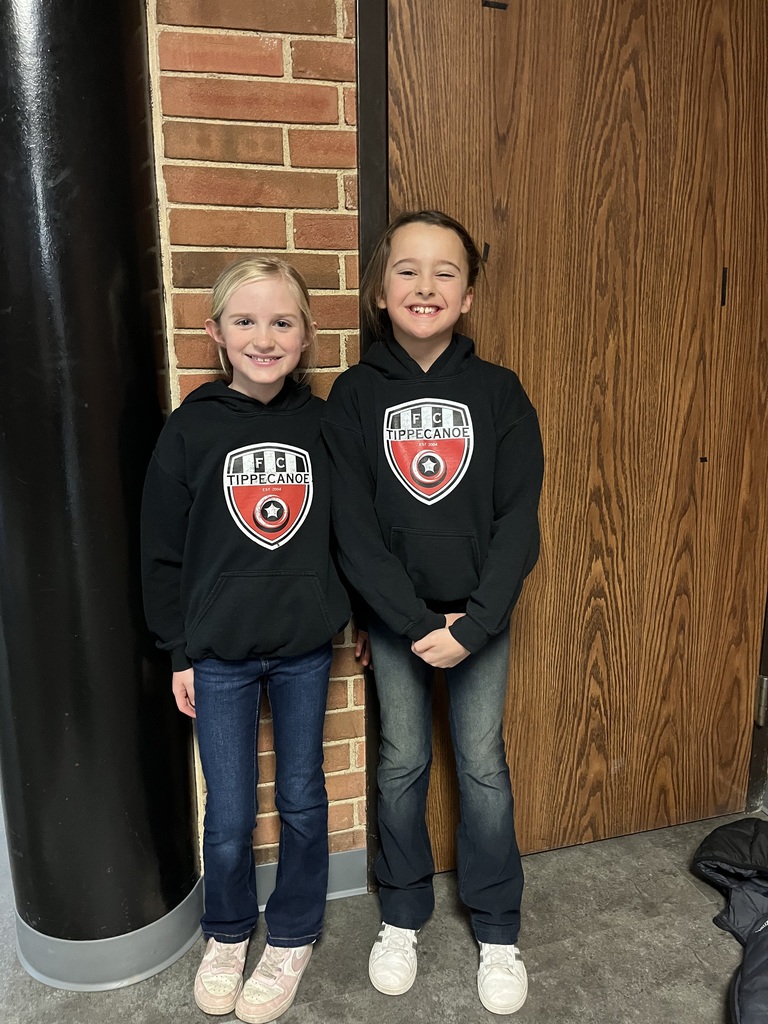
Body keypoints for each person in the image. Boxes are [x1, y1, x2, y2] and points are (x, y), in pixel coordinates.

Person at [322, 210, 543, 1016]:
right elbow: (351, 525)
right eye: (407, 270)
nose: (425, 285)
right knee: (400, 763)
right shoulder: (352, 395)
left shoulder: (500, 392)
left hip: (479, 621)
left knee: (484, 770)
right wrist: (409, 623)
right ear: (381, 292)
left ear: (470, 294)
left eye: (444, 271)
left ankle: (498, 929)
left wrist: (474, 625)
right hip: (396, 620)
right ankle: (404, 916)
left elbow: (520, 520)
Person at [141, 256, 350, 1023]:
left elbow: (348, 532)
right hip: (219, 655)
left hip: (302, 649)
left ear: (307, 334)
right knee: (227, 811)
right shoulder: (191, 427)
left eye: (282, 321)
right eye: (246, 321)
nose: (265, 337)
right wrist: (178, 649)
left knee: (301, 796)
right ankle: (227, 932)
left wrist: (350, 615)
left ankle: (293, 931)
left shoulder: (325, 425)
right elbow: (160, 550)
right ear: (216, 335)